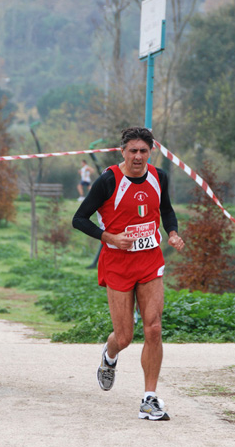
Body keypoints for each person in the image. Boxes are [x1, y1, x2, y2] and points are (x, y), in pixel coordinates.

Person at [72, 127, 184, 421]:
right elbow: (79, 219)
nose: (137, 156)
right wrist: (109, 237)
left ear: (151, 152)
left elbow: (167, 210)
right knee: (124, 338)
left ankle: (149, 399)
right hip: (118, 265)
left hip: (149, 262)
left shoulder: (160, 177)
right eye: (132, 151)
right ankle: (110, 357)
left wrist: (172, 232)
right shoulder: (108, 180)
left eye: (143, 151)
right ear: (122, 151)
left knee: (154, 329)